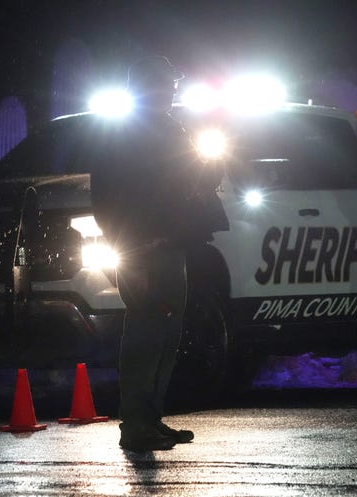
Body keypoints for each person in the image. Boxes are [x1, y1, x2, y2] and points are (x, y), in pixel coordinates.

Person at [91, 55, 228, 451]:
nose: (172, 90)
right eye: (167, 83)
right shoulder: (123, 135)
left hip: (171, 245)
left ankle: (151, 419)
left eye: (173, 84)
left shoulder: (169, 128)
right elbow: (108, 200)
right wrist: (128, 252)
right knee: (146, 335)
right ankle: (136, 425)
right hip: (144, 250)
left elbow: (196, 179)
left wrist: (210, 162)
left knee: (166, 335)